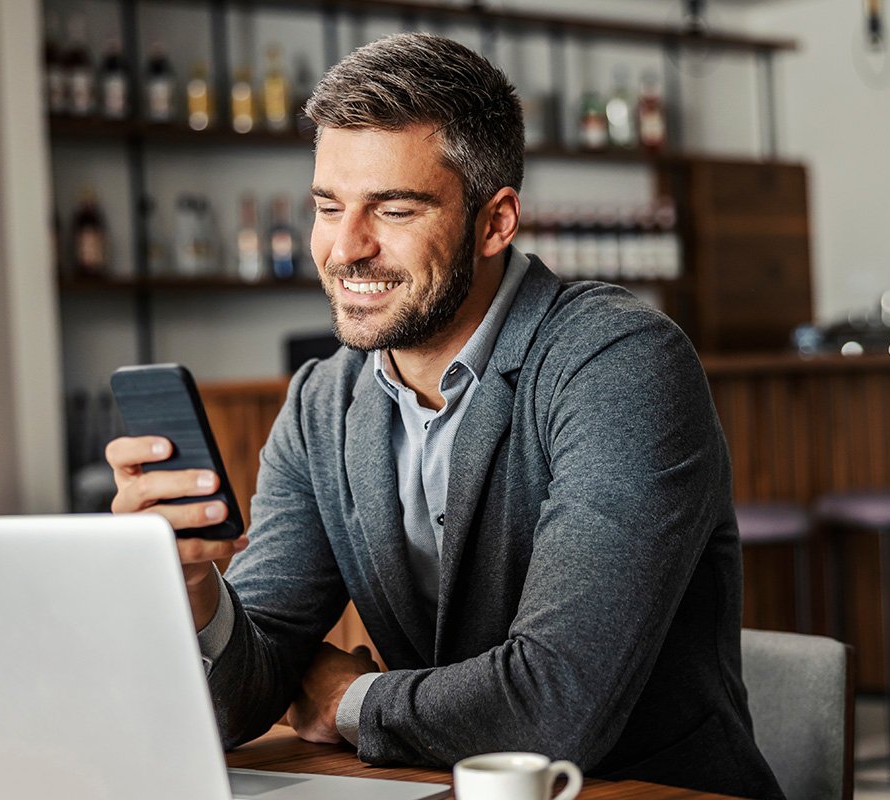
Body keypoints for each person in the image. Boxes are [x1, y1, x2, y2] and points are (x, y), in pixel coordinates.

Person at [107, 32, 782, 798]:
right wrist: (194, 585)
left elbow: (554, 707)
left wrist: (346, 698)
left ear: (495, 222)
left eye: (393, 209)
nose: (345, 248)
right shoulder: (321, 403)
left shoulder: (620, 362)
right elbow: (251, 685)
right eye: (329, 206)